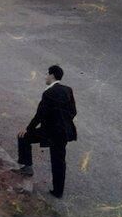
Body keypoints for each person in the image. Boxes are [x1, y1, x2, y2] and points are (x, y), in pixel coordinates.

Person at [13, 65, 77, 199]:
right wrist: (63, 121)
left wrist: (28, 129)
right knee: (59, 161)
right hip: (64, 132)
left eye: (47, 74)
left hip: (50, 132)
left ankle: (27, 167)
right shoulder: (68, 90)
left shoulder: (48, 93)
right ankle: (58, 191)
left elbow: (40, 115)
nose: (45, 77)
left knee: (24, 137)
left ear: (52, 75)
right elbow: (73, 111)